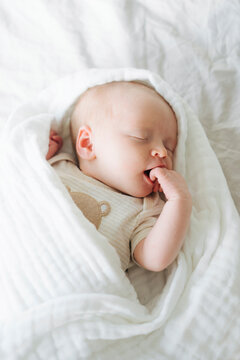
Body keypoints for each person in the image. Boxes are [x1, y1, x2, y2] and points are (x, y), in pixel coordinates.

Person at [46, 81, 192, 272]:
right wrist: (39, 150)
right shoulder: (58, 168)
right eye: (141, 137)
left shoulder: (144, 211)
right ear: (88, 144)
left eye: (169, 147)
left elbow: (154, 260)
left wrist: (179, 201)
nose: (162, 152)